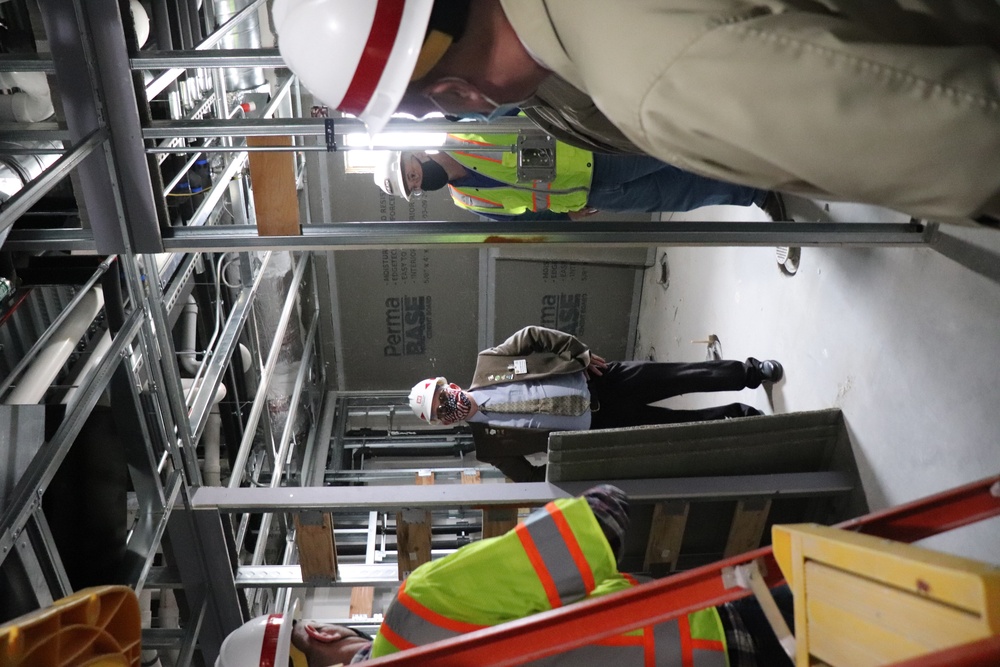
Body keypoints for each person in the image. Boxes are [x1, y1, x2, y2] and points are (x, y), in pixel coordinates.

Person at [273, 0, 1000, 223]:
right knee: (688, 187)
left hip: (602, 151)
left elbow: (969, 143)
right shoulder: (469, 186)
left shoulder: (659, 83)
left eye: (421, 103)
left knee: (701, 165)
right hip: (590, 183)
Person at [218, 485, 795, 666]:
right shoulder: (417, 613)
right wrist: (599, 507)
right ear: (317, 635)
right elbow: (582, 537)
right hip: (711, 645)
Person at [408, 326, 783, 482]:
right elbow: (535, 477)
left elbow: (532, 336)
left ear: (450, 385)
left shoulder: (488, 363)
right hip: (600, 430)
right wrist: (581, 463)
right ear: (444, 424)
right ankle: (741, 419)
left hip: (601, 381)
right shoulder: (489, 449)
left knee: (679, 375)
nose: (447, 406)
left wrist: (579, 353)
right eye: (441, 412)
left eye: (443, 397)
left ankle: (751, 373)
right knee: (675, 430)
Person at [372, 134, 788, 221]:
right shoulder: (468, 200)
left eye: (408, 170)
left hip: (592, 157)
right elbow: (523, 215)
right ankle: (752, 190)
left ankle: (752, 149)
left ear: (414, 154)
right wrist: (566, 216)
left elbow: (516, 116)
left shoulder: (460, 133)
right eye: (410, 185)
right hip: (589, 197)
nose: (414, 179)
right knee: (676, 195)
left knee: (672, 149)